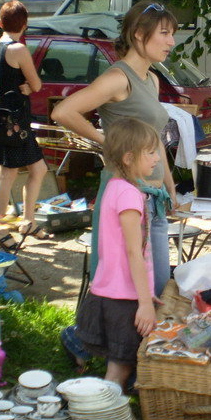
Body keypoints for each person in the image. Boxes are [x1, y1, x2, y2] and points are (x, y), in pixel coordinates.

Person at [51, 1, 178, 297]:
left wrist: (171, 187)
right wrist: (109, 141)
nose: (171, 42)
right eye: (164, 33)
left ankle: (145, 343)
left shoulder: (152, 80)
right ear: (138, 34)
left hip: (154, 197)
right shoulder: (118, 78)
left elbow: (153, 138)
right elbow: (63, 112)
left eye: (172, 34)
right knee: (131, 289)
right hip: (127, 196)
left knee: (157, 285)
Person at [74, 117, 162, 388]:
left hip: (107, 293)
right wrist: (144, 302)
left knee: (116, 364)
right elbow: (134, 252)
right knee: (119, 371)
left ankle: (95, 404)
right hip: (124, 300)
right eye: (150, 152)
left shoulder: (113, 187)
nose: (157, 158)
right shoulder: (129, 195)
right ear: (128, 157)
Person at [0, 0, 51, 241]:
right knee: (7, 175)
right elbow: (36, 84)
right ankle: (0, 228)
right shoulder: (18, 49)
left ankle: (28, 222)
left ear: (0, 22)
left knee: (39, 168)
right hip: (13, 120)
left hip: (10, 117)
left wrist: (22, 88)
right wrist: (27, 89)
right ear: (25, 24)